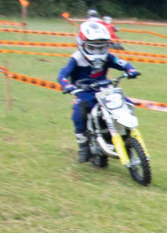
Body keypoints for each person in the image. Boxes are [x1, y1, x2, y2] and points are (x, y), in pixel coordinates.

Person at [58, 19, 138, 162]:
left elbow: (121, 63)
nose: (98, 51)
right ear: (82, 45)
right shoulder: (77, 58)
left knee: (126, 103)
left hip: (104, 88)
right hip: (83, 91)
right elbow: (63, 74)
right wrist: (67, 86)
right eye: (93, 47)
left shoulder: (107, 56)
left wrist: (130, 69)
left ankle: (124, 132)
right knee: (79, 113)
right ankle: (83, 146)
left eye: (101, 47)